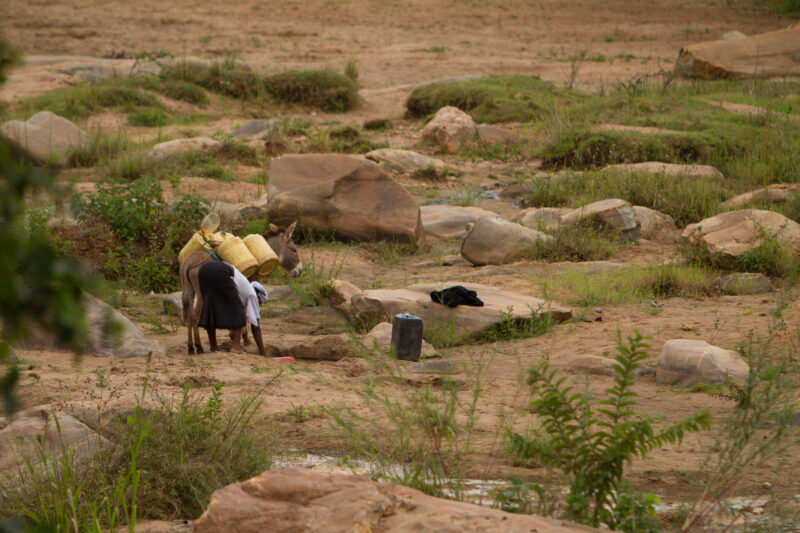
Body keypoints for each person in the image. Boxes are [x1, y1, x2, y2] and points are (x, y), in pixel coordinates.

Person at [197, 261, 267, 355]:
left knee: (210, 307)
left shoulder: (242, 287)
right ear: (259, 296)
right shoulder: (252, 294)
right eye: (260, 303)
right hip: (220, 270)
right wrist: (263, 354)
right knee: (239, 312)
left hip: (203, 269)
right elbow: (255, 327)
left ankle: (213, 347)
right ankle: (236, 347)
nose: (258, 305)